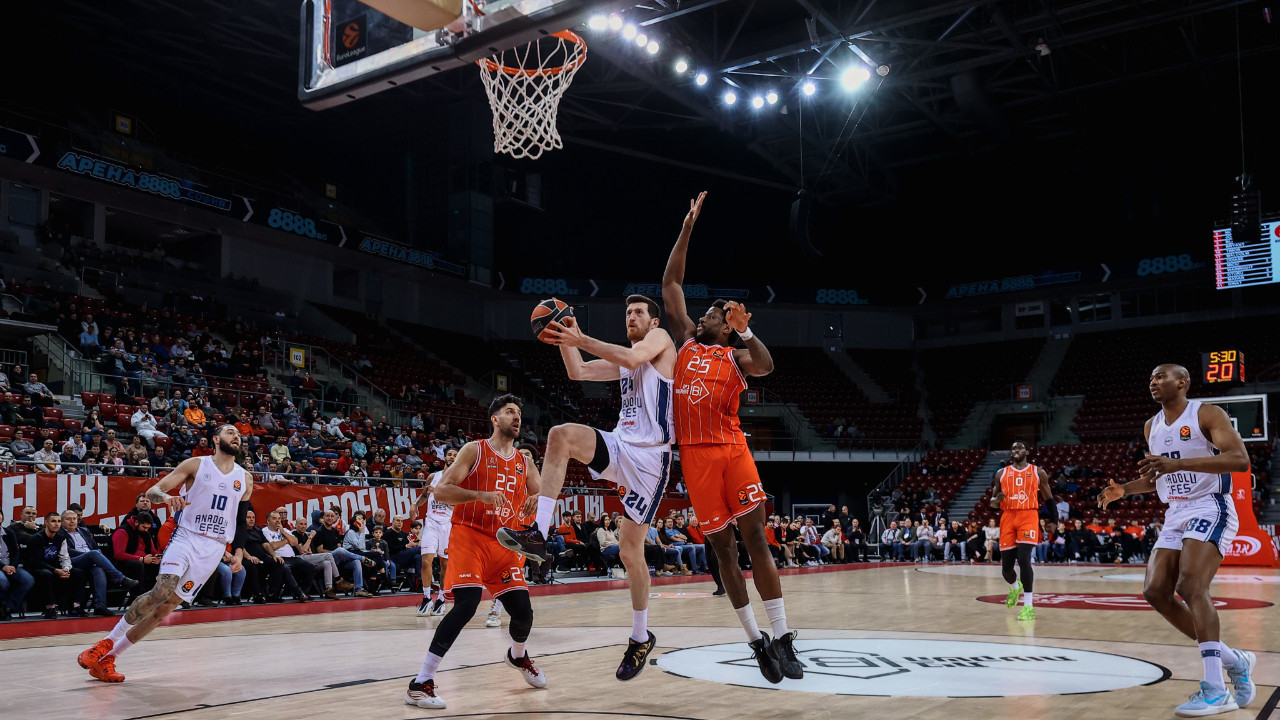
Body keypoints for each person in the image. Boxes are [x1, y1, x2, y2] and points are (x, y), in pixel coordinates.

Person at [659, 191, 800, 683]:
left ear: (726, 324)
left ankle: (782, 637)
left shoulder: (734, 355)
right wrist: (688, 228)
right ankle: (755, 641)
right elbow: (671, 282)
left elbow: (766, 365)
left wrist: (746, 334)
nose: (702, 317)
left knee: (755, 537)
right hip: (695, 456)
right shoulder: (683, 345)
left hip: (731, 448)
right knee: (721, 551)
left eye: (712, 315)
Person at [498, 294, 676, 681]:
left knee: (631, 553)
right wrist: (564, 337)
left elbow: (632, 358)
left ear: (653, 320)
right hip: (622, 445)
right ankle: (538, 534)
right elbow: (578, 372)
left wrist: (579, 337)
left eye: (638, 312)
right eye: (627, 311)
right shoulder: (626, 361)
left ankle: (640, 636)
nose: (631, 316)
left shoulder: (660, 341)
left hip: (650, 459)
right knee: (560, 436)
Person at [1098, 364, 1256, 716]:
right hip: (1175, 512)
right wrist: (1124, 490)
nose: (1153, 382)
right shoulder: (1151, 426)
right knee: (1155, 591)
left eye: (1160, 377)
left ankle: (1216, 689)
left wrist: (1179, 465)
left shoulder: (1206, 413)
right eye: (1150, 378)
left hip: (1210, 505)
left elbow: (1239, 460)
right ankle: (1235, 659)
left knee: (1191, 585)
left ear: (1181, 382)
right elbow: (1159, 477)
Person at [77, 425, 253, 683]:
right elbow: (153, 492)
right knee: (161, 590)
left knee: (168, 607)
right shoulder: (196, 464)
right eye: (229, 432)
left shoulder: (245, 478)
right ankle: (104, 644)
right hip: (187, 536)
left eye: (238, 434)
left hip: (215, 547)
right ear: (215, 439)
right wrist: (167, 498)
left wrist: (237, 552)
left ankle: (109, 659)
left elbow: (240, 521)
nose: (236, 436)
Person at [403, 395, 546, 710]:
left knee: (523, 611)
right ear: (495, 419)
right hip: (470, 537)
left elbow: (540, 492)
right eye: (510, 412)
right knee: (466, 606)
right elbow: (441, 490)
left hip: (504, 543)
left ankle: (518, 657)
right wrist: (479, 495)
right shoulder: (475, 450)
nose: (516, 417)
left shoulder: (524, 461)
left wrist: (539, 497)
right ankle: (420, 682)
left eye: (519, 412)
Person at [989, 441, 1052, 621]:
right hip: (1008, 517)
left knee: (1024, 559)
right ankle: (1015, 588)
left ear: (1027, 451)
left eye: (1019, 447)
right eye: (1013, 448)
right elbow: (992, 503)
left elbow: (1049, 498)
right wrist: (996, 500)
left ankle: (1029, 606)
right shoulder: (1001, 474)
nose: (1015, 450)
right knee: (1006, 569)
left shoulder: (1037, 472)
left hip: (1028, 515)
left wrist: (1053, 520)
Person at [411, 447, 458, 616]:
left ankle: (441, 599)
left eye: (455, 455)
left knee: (445, 565)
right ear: (445, 457)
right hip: (431, 523)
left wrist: (438, 493)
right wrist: (415, 504)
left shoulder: (459, 480)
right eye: (450, 454)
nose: (452, 457)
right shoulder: (433, 476)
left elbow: (457, 505)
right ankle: (426, 598)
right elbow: (424, 495)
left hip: (447, 525)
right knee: (425, 562)